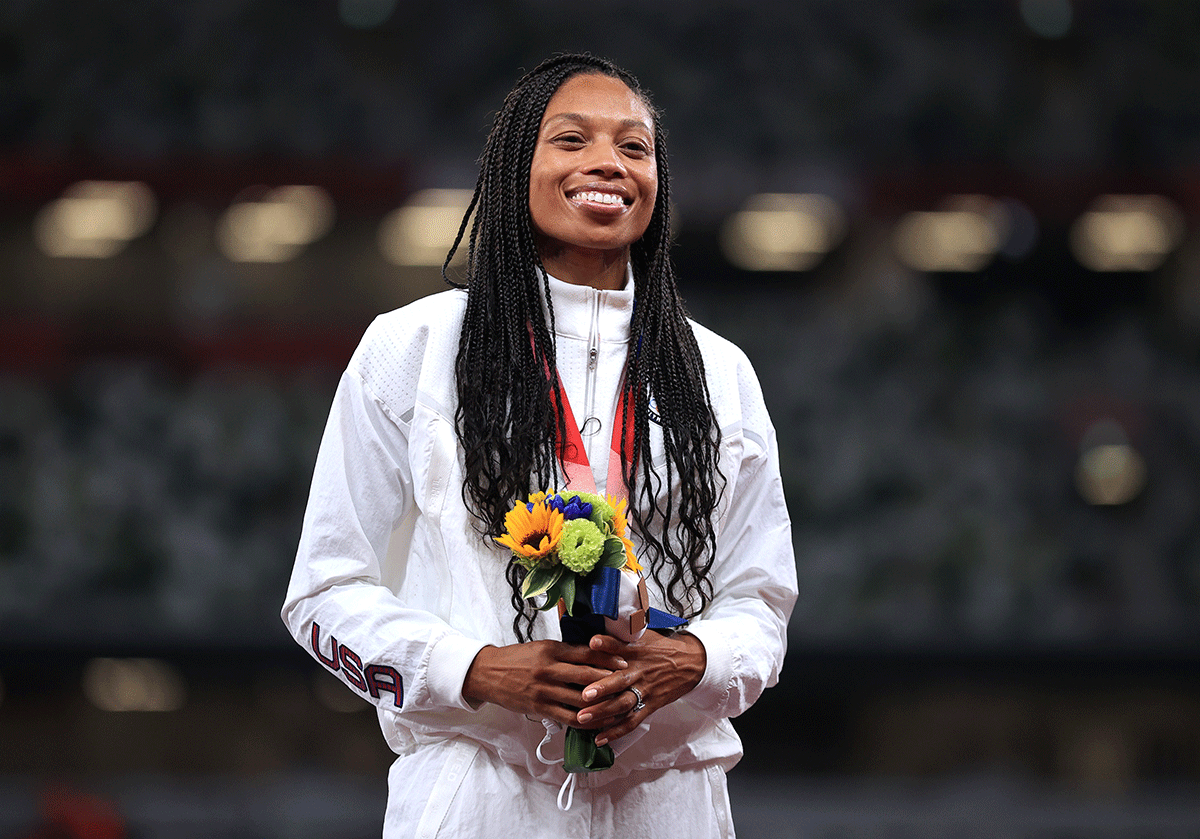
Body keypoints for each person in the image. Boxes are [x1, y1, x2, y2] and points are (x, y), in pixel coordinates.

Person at [282, 53, 797, 838]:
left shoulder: (717, 372)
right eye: (571, 139)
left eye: (634, 147)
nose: (607, 164)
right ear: (517, 164)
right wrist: (476, 669)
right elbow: (322, 592)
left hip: (672, 796)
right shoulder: (414, 348)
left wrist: (693, 657)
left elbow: (760, 599)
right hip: (476, 794)